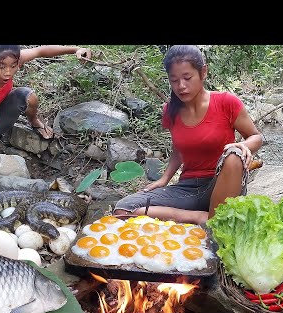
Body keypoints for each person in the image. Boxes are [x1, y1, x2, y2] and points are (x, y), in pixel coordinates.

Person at [113, 45, 263, 225]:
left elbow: (256, 136)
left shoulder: (226, 102)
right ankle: (202, 218)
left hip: (223, 183)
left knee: (233, 155)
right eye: (174, 80)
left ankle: (216, 221)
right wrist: (164, 179)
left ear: (203, 72)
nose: (181, 86)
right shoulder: (170, 111)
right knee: (123, 209)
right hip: (188, 188)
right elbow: (178, 149)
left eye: (187, 77)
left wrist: (244, 146)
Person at [0, 45, 92, 155]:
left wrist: (76, 49)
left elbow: (40, 51)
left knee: (26, 95)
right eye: (1, 66)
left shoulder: (11, 58)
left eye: (13, 66)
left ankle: (34, 122)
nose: (8, 72)